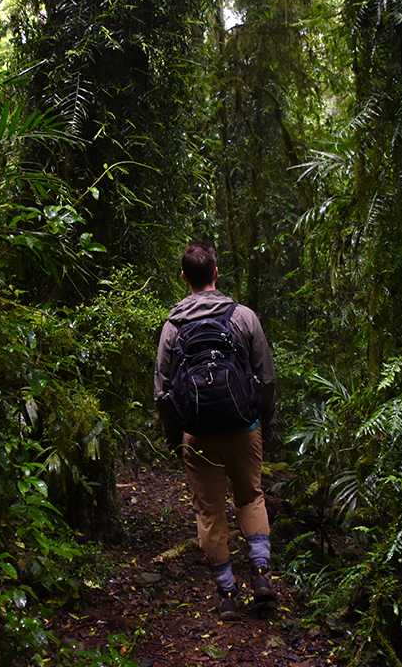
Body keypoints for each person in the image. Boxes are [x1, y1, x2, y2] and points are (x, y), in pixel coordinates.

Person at [154, 241, 277, 620]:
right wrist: (265, 422)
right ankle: (259, 575)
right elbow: (266, 378)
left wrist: (176, 434)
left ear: (184, 278)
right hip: (244, 426)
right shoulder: (243, 317)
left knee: (209, 513)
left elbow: (162, 390)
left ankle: (226, 595)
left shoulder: (173, 326)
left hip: (198, 434)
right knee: (251, 498)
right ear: (216, 274)